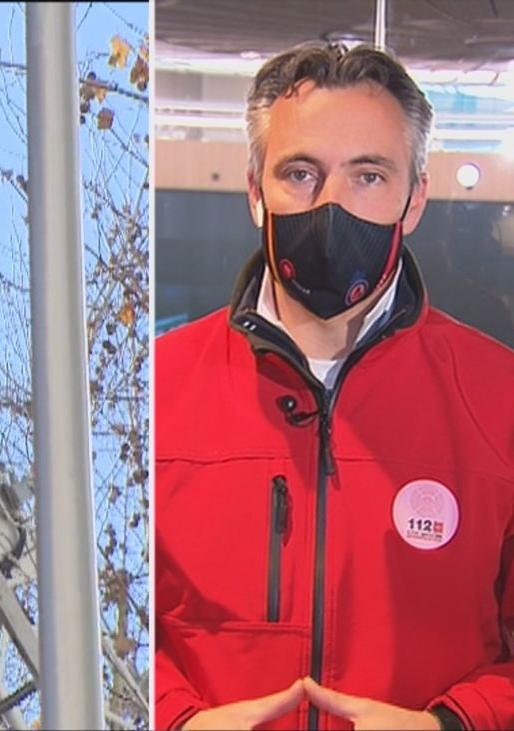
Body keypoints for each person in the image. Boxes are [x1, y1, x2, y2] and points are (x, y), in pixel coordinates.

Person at [155, 42, 514, 731]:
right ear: (255, 190)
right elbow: (102, 613)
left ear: (415, 199)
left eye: (368, 176)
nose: (330, 206)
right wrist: (170, 719)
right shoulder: (159, 388)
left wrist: (451, 724)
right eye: (299, 172)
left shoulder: (499, 398)